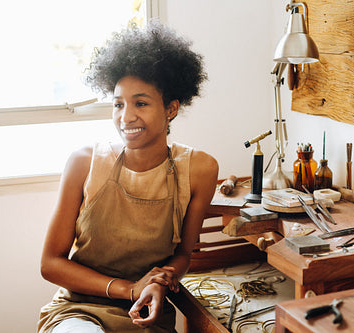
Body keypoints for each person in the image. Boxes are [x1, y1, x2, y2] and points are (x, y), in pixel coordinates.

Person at [37, 21, 219, 333]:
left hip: (147, 313)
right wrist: (128, 288)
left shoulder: (199, 170)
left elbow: (183, 255)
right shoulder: (85, 162)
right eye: (118, 104)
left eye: (141, 103)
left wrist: (159, 283)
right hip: (80, 311)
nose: (126, 117)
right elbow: (50, 263)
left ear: (171, 109)